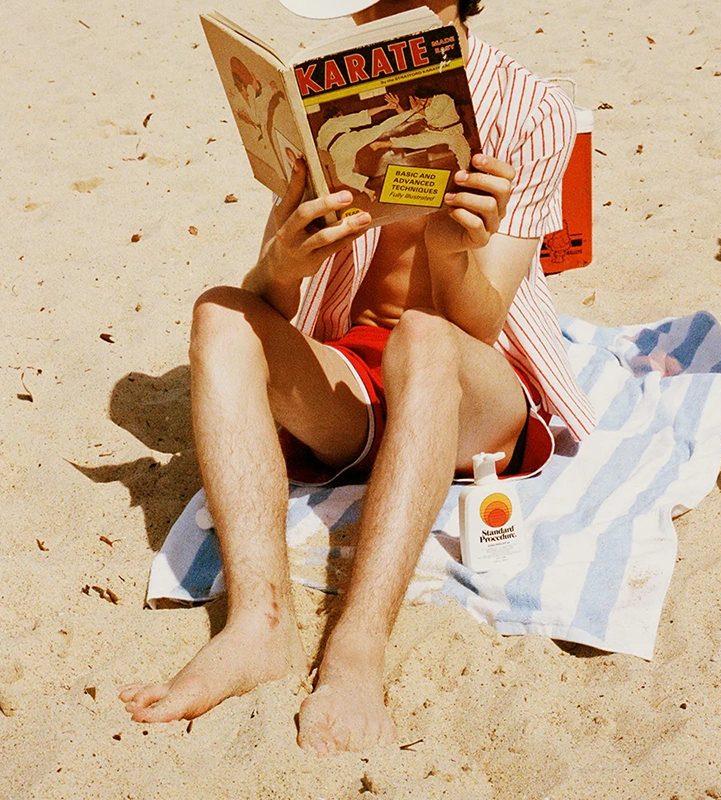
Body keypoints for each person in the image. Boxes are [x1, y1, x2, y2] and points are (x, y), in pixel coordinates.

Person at [119, 0, 596, 755]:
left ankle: (357, 647)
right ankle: (258, 625)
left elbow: (483, 322)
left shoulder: (531, 109)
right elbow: (270, 300)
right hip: (356, 374)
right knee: (220, 312)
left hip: (472, 380)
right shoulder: (328, 94)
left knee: (424, 339)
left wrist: (450, 251)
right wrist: (284, 262)